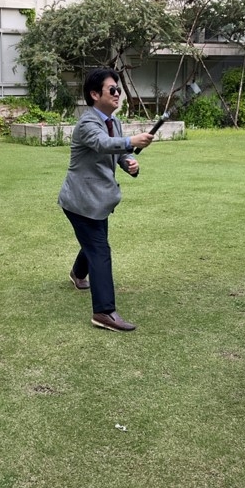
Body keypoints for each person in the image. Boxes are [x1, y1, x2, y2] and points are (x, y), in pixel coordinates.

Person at [58, 68, 155, 331]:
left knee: (94, 241)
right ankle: (103, 312)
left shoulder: (114, 122)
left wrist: (129, 162)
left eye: (118, 90)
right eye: (112, 89)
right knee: (99, 249)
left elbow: (117, 153)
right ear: (94, 94)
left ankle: (78, 274)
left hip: (98, 200)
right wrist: (131, 141)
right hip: (80, 201)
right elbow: (103, 144)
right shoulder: (87, 123)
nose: (117, 94)